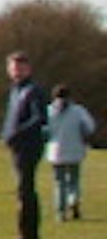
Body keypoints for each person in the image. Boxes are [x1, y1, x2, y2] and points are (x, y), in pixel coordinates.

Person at [0, 51, 49, 239]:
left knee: (25, 189)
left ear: (28, 69)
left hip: (29, 146)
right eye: (12, 68)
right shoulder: (15, 91)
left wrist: (16, 134)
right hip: (17, 146)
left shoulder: (33, 90)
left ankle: (27, 237)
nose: (16, 71)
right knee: (23, 190)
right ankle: (28, 235)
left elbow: (39, 118)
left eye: (20, 67)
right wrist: (6, 134)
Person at [45, 83, 96, 223]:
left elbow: (44, 131)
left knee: (59, 182)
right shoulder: (78, 111)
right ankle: (73, 200)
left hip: (55, 152)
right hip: (75, 150)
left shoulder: (48, 111)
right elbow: (90, 127)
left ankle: (60, 213)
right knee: (74, 180)